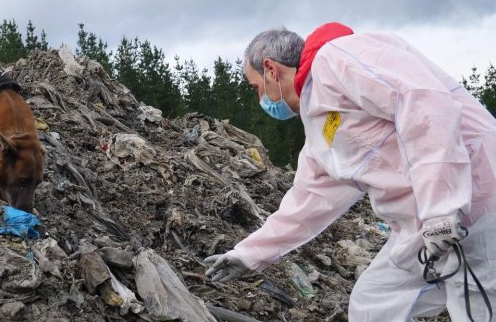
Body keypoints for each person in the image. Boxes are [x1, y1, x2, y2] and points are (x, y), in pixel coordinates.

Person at [203, 22, 496, 321]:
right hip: (425, 229)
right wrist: (248, 255)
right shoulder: (319, 122)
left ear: (271, 69)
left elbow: (425, 106)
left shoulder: (339, 58)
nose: (260, 99)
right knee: (374, 304)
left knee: (475, 307)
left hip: (476, 204)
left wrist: (441, 210)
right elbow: (308, 201)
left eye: (257, 88)